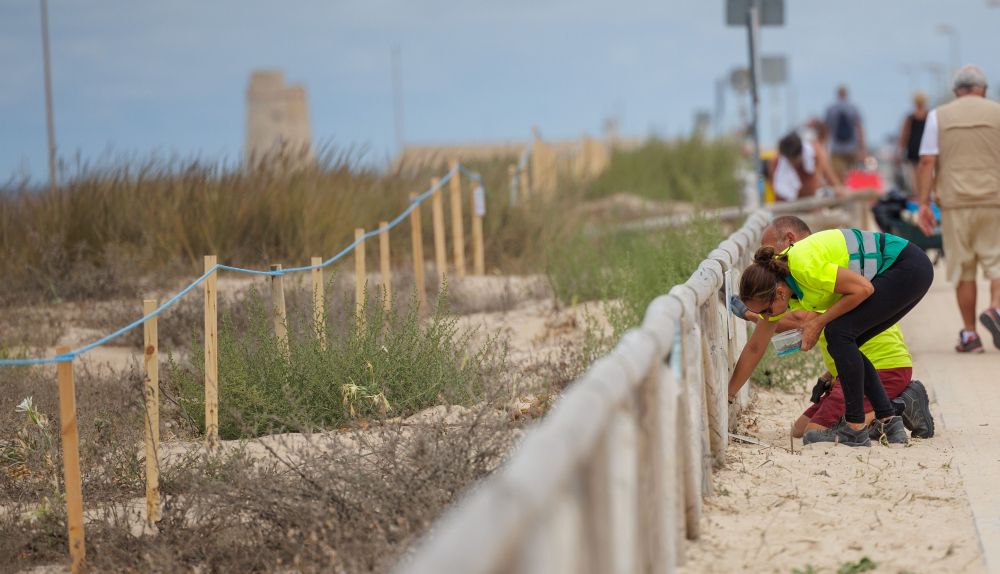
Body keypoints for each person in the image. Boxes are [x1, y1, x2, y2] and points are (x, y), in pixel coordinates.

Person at [727, 223, 934, 446]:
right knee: (844, 337)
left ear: (778, 294)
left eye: (766, 312)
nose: (766, 317)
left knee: (838, 333)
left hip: (906, 266)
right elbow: (755, 347)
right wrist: (729, 394)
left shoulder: (803, 267)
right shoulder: (783, 287)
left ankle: (854, 428)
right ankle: (888, 420)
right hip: (907, 269)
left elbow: (864, 289)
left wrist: (819, 323)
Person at [916, 65, 1000, 353]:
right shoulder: (997, 112)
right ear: (983, 90)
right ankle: (996, 308)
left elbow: (927, 161)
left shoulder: (938, 116)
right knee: (998, 262)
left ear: (955, 92)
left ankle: (970, 335)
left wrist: (924, 204)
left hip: (954, 203)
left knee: (963, 268)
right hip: (995, 200)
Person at [769, 132, 842, 201]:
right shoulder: (777, 163)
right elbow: (779, 192)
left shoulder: (814, 155)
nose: (792, 163)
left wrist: (838, 190)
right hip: (789, 201)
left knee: (838, 192)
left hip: (811, 198)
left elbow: (829, 178)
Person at [825, 85, 867, 182]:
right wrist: (862, 148)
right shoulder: (853, 108)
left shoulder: (831, 109)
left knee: (838, 177)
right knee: (854, 176)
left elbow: (827, 129)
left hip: (836, 148)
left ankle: (842, 189)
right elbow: (859, 129)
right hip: (852, 147)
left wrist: (826, 147)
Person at [897, 92, 929, 194]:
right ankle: (923, 193)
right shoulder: (929, 116)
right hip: (925, 148)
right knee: (925, 171)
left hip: (915, 147)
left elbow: (904, 134)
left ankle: (919, 194)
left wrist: (901, 149)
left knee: (916, 173)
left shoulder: (910, 117)